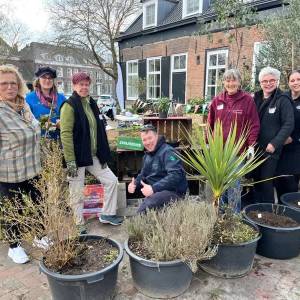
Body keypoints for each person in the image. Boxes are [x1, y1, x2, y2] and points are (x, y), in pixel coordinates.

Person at [60, 72, 122, 230]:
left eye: (86, 84)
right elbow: (65, 134)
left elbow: (99, 128)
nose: (84, 87)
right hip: (77, 156)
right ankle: (78, 222)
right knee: (77, 190)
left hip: (93, 155)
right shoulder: (69, 105)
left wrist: (103, 154)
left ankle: (107, 213)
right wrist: (70, 161)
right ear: (74, 86)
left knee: (111, 180)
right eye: (80, 84)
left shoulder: (92, 103)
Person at [0, 65, 41, 264]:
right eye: (4, 84)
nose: (10, 87)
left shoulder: (24, 105)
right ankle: (14, 247)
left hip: (33, 167)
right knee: (14, 211)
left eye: (13, 83)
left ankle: (39, 236)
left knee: (38, 204)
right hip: (10, 172)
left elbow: (33, 128)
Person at [207, 69, 260, 212]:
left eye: (233, 80)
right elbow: (210, 124)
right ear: (223, 82)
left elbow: (254, 124)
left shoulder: (247, 100)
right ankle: (221, 213)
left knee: (234, 185)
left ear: (239, 82)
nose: (231, 83)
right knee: (219, 184)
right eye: (228, 80)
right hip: (219, 152)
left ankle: (234, 216)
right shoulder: (217, 101)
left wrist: (251, 146)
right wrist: (208, 143)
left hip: (237, 152)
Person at [253, 67, 294, 203]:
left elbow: (288, 124)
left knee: (266, 181)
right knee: (257, 179)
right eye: (265, 81)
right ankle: (256, 209)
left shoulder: (283, 100)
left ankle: (268, 211)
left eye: (272, 80)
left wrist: (275, 143)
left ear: (277, 81)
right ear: (260, 83)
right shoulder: (255, 98)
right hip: (256, 148)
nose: (268, 83)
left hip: (271, 150)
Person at [128, 124, 188, 213]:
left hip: (174, 193)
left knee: (147, 206)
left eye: (150, 138)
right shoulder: (147, 156)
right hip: (156, 193)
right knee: (150, 202)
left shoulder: (168, 152)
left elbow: (176, 175)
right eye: (144, 140)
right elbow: (143, 174)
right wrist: (134, 184)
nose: (147, 142)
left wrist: (153, 188)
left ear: (156, 136)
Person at [275, 70, 300, 198]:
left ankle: (290, 214)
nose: (296, 83)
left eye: (298, 79)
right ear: (288, 83)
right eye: (292, 80)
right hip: (280, 148)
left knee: (291, 187)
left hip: (295, 149)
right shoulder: (283, 98)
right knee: (279, 183)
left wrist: (294, 138)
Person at [26, 66, 66, 139]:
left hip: (59, 140)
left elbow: (68, 118)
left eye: (50, 78)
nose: (47, 80)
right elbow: (26, 122)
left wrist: (62, 122)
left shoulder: (62, 98)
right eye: (44, 77)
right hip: (38, 140)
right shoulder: (29, 98)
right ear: (38, 80)